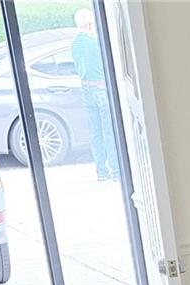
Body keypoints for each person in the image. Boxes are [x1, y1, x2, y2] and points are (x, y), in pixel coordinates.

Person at [71, 7, 118, 181]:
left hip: (86, 90)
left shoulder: (75, 44)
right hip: (101, 89)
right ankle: (116, 171)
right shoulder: (96, 43)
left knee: (95, 133)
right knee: (109, 131)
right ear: (91, 24)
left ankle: (101, 172)